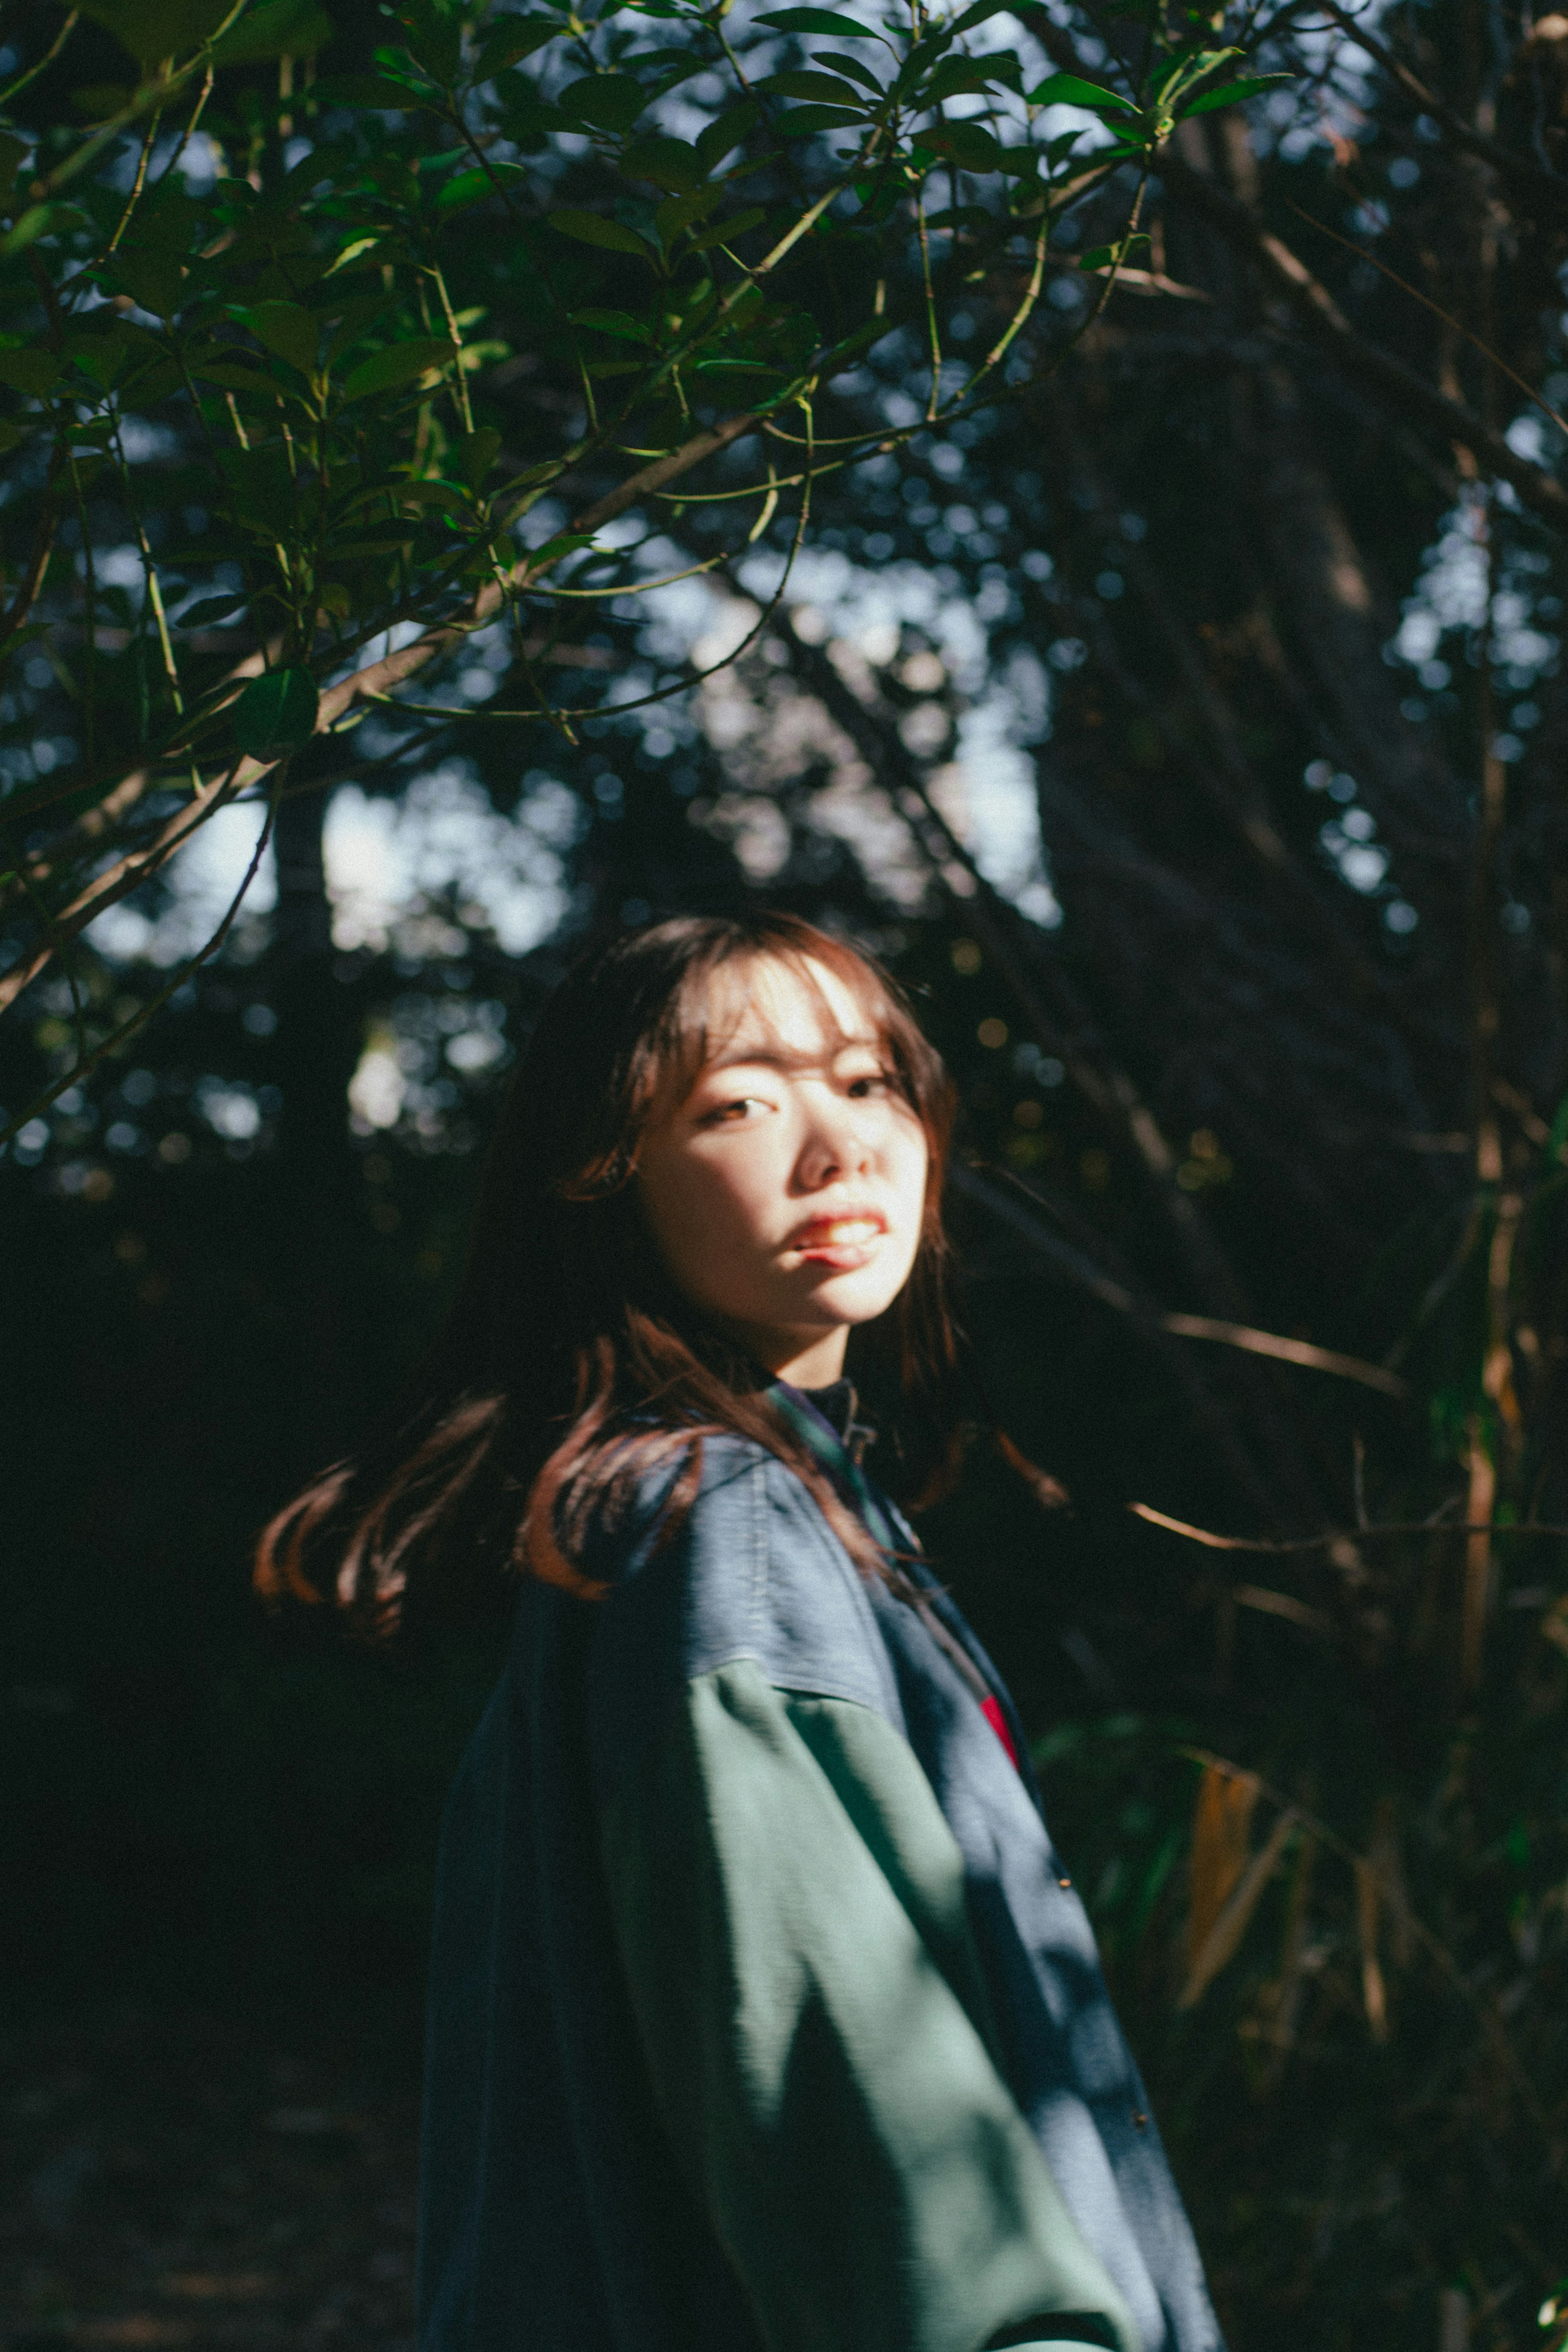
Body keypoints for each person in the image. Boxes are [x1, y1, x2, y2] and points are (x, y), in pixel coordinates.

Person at [256, 913, 1225, 2352]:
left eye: (866, 1081)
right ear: (603, 1181)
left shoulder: (731, 1515)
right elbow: (853, 2105)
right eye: (738, 1105)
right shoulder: (719, 1530)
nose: (836, 1152)